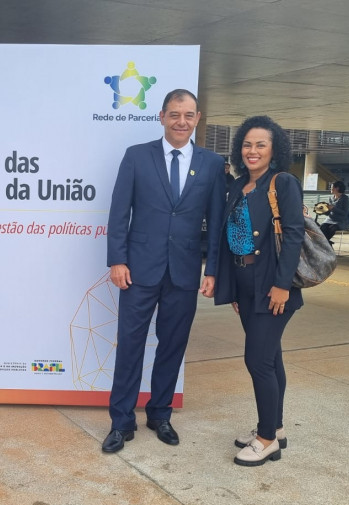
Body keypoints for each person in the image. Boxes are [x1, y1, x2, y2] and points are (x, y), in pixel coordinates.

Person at [103, 89, 225, 453]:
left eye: (188, 115)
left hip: (184, 273)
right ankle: (121, 421)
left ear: (197, 118)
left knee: (172, 346)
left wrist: (213, 269)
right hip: (138, 270)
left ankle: (160, 414)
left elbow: (216, 221)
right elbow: (119, 211)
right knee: (130, 345)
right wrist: (117, 260)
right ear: (161, 117)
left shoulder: (212, 164)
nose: (181, 121)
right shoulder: (137, 156)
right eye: (174, 114)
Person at [213, 115, 304, 466]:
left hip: (271, 284)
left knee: (258, 360)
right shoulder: (239, 185)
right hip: (245, 282)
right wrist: (234, 289)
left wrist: (282, 285)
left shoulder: (283, 183)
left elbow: (293, 235)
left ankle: (266, 440)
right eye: (247, 145)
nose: (252, 151)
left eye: (260, 145)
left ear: (274, 149)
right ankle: (275, 427)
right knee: (270, 357)